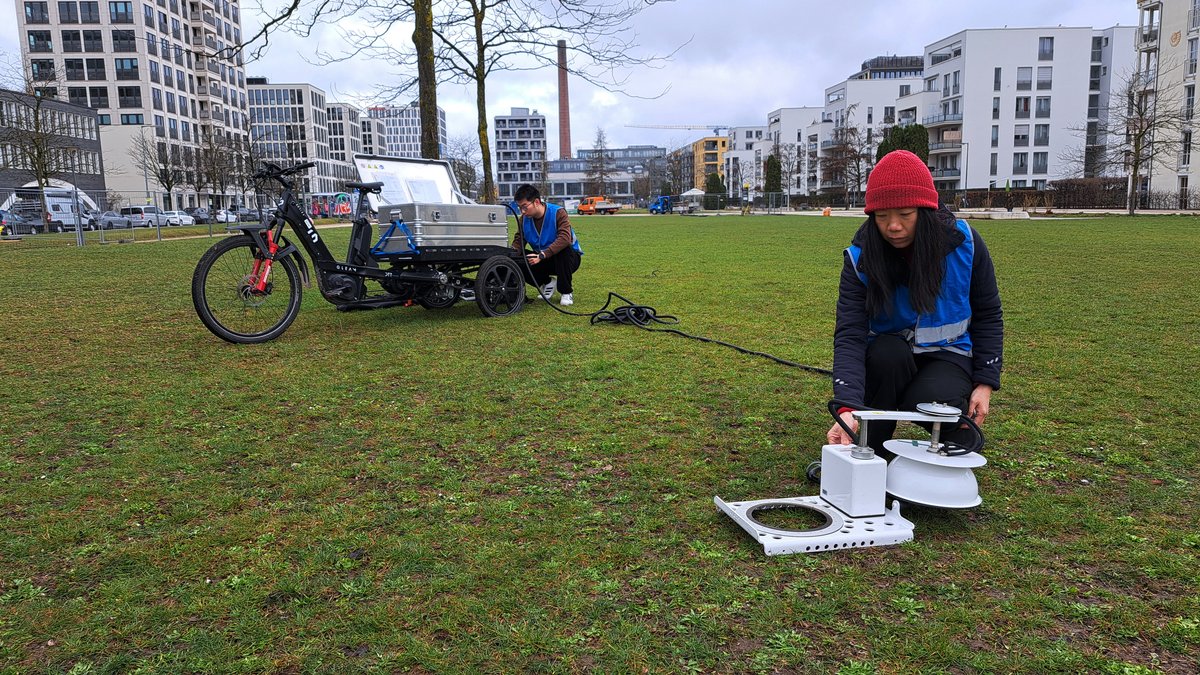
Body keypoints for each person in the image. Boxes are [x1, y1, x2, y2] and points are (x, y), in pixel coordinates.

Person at [826, 150, 1004, 451]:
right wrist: (847, 409)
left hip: (948, 356)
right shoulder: (860, 258)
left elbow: (988, 314)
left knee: (959, 434)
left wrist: (985, 382)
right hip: (887, 360)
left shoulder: (967, 245)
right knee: (886, 354)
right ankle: (871, 445)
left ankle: (938, 416)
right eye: (881, 217)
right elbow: (850, 334)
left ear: (926, 211)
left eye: (905, 215)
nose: (893, 226)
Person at [512, 184, 583, 306]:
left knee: (564, 248)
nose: (522, 212)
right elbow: (519, 242)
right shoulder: (523, 219)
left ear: (536, 202)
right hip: (542, 259)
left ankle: (566, 292)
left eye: (524, 207)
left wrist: (542, 255)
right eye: (519, 208)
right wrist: (509, 253)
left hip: (569, 259)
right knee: (516, 258)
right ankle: (547, 282)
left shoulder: (558, 212)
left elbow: (565, 238)